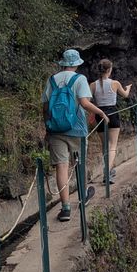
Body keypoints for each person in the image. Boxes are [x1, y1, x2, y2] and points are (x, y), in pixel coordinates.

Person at [42, 49, 109, 222]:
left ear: (63, 63)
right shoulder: (80, 79)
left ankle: (65, 208)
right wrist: (101, 113)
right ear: (77, 64)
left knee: (61, 167)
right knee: (79, 164)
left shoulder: (52, 80)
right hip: (77, 128)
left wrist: (48, 128)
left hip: (55, 130)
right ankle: (83, 197)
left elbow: (45, 106)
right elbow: (85, 103)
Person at [90, 58, 132, 183]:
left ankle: (109, 170)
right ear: (109, 70)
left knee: (105, 146)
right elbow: (125, 95)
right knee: (113, 145)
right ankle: (107, 172)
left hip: (100, 115)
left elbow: (88, 101)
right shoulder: (115, 83)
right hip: (112, 114)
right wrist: (128, 88)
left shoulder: (92, 85)